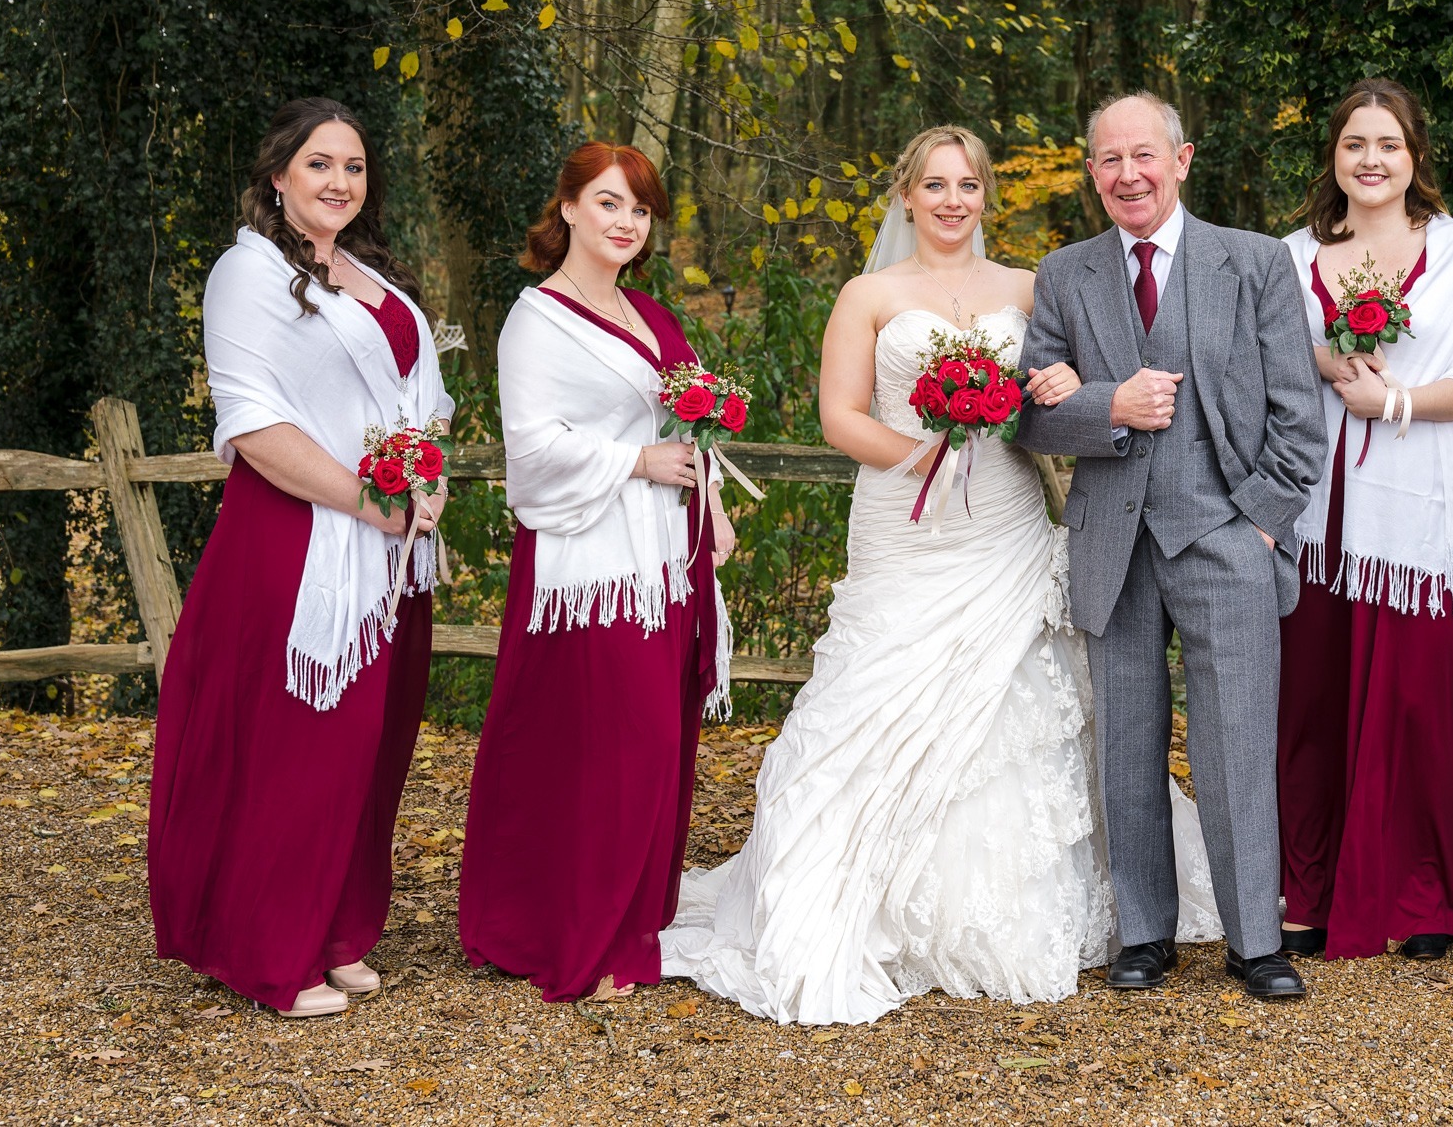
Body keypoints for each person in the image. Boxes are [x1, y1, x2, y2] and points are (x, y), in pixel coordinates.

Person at [659, 125, 1223, 1026]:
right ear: (907, 195)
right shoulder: (870, 293)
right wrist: (918, 454)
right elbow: (839, 415)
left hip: (1001, 520)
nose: (953, 200)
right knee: (872, 696)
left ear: (985, 195)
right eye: (935, 184)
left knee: (1025, 701)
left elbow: (1062, 388)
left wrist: (1055, 392)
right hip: (904, 521)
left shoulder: (1033, 286)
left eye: (968, 184)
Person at [1017, 93, 1328, 1000]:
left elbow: (1298, 421)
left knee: (1237, 740)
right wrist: (1105, 405)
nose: (1128, 175)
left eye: (1143, 156)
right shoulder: (1066, 274)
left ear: (1181, 159)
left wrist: (1259, 524)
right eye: (1108, 160)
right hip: (1113, 542)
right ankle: (1143, 932)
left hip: (1225, 535)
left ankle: (1254, 940)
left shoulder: (1256, 262)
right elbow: (1030, 418)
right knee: (1126, 741)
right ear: (1091, 174)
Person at [148, 98, 450, 1018]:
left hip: (395, 547)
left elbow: (425, 401)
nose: (339, 182)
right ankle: (266, 947)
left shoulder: (372, 278)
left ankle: (337, 927)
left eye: (354, 167)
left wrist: (425, 480)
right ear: (278, 175)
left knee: (370, 744)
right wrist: (372, 501)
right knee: (296, 747)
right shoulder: (246, 275)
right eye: (320, 164)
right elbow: (252, 421)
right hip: (296, 537)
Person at [458, 143, 734, 1003]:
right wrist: (637, 463)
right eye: (609, 203)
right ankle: (575, 929)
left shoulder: (655, 316)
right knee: (608, 747)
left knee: (656, 747)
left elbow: (690, 431)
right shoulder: (535, 319)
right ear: (569, 208)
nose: (625, 222)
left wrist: (712, 504)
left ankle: (631, 916)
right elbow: (533, 450)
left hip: (665, 560)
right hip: (589, 564)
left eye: (641, 210)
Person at [1275, 81, 1453, 963]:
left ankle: (1431, 889)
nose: (1372, 159)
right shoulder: (1291, 253)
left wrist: (1389, 398)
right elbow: (1264, 358)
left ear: (1415, 155)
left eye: (1388, 144)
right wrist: (1324, 357)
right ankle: (1310, 887)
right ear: (1335, 156)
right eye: (1355, 144)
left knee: (1425, 701)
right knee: (1313, 697)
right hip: (1316, 506)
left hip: (1423, 499)